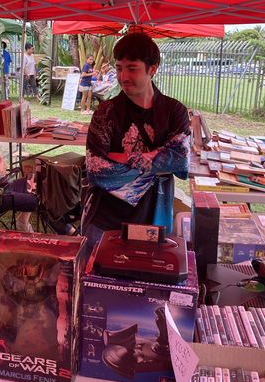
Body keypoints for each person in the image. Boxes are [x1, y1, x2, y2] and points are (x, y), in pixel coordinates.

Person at [81, 32, 190, 260]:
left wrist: (123, 158)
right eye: (119, 68)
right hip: (105, 219)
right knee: (95, 286)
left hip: (154, 217)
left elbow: (179, 160)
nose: (123, 76)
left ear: (153, 69)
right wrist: (155, 161)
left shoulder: (173, 111)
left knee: (146, 284)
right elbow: (96, 170)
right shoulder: (107, 112)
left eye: (132, 68)